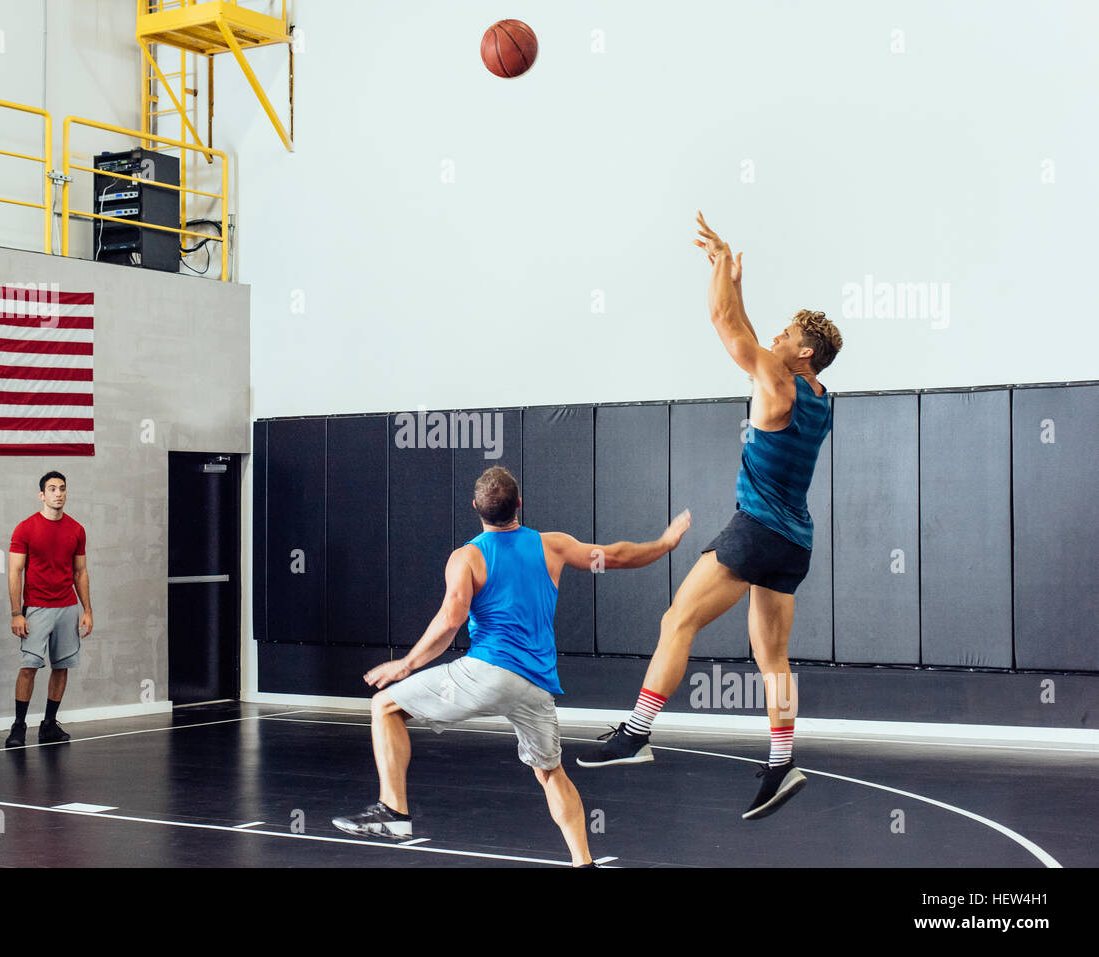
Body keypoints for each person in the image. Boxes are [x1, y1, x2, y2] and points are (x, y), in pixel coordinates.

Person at [577, 212, 843, 821]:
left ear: (803, 352)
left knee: (678, 620)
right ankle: (781, 764)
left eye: (787, 332)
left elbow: (726, 324)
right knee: (772, 660)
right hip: (794, 544)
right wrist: (739, 282)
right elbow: (748, 328)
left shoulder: (776, 378)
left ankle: (637, 735)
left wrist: (723, 262)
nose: (775, 335)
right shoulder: (821, 397)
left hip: (754, 532)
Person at [332, 466, 692, 866]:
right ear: (518, 504)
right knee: (550, 772)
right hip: (536, 686)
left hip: (487, 672)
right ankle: (583, 861)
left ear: (475, 508)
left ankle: (394, 812)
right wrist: (665, 543)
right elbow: (618, 557)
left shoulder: (466, 557)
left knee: (384, 706)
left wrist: (406, 664)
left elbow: (451, 620)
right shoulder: (552, 546)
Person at [4, 471, 92, 748]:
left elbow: (80, 572)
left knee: (62, 666)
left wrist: (87, 609)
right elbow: (15, 572)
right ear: (42, 495)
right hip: (36, 607)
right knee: (29, 666)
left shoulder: (77, 530)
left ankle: (49, 725)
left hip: (67, 606)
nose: (58, 493)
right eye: (52, 489)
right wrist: (16, 612)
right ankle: (19, 726)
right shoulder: (25, 528)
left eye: (62, 488)